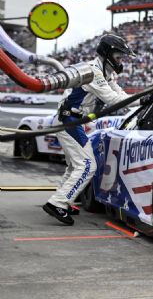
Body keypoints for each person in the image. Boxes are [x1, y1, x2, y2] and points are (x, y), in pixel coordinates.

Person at [42, 33, 143, 225]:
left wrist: (143, 100)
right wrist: (142, 99)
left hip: (72, 121)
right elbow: (113, 100)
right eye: (119, 57)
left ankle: (63, 201)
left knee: (75, 166)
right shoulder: (94, 72)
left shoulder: (106, 73)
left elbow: (121, 95)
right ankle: (58, 203)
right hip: (68, 121)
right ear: (108, 54)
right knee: (88, 165)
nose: (120, 62)